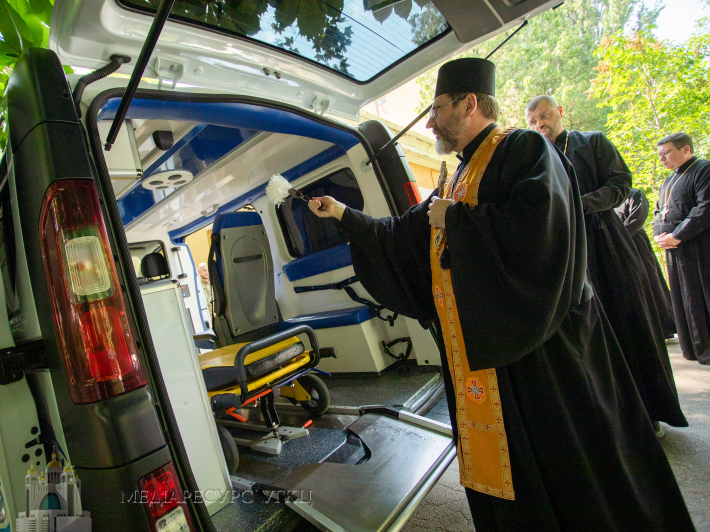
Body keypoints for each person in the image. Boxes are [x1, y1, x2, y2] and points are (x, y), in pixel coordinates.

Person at [308, 58, 694, 532]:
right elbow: (402, 236)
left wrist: (457, 221)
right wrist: (344, 214)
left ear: (469, 104)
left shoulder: (525, 148)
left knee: (569, 468)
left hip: (542, 351)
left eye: (437, 108)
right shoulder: (455, 176)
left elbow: (540, 231)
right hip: (488, 357)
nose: (429, 121)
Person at [525, 95, 687, 433]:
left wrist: (580, 204)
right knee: (590, 335)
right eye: (533, 121)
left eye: (544, 116)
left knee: (629, 322)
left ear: (560, 113)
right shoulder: (535, 159)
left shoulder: (592, 141)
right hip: (570, 253)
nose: (540, 124)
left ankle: (649, 411)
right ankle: (612, 417)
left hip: (607, 245)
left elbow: (620, 183)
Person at [653, 132, 710, 365]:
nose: (662, 159)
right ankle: (694, 347)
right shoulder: (668, 180)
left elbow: (705, 207)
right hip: (675, 249)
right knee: (683, 297)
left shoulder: (703, 170)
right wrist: (660, 236)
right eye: (659, 155)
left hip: (699, 245)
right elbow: (659, 211)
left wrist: (677, 235)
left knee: (702, 294)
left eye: (666, 153)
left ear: (685, 149)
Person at [616, 188, 676, 339]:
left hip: (636, 244)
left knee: (650, 282)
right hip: (616, 248)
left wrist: (619, 237)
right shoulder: (608, 200)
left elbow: (637, 218)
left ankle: (664, 327)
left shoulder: (634, 194)